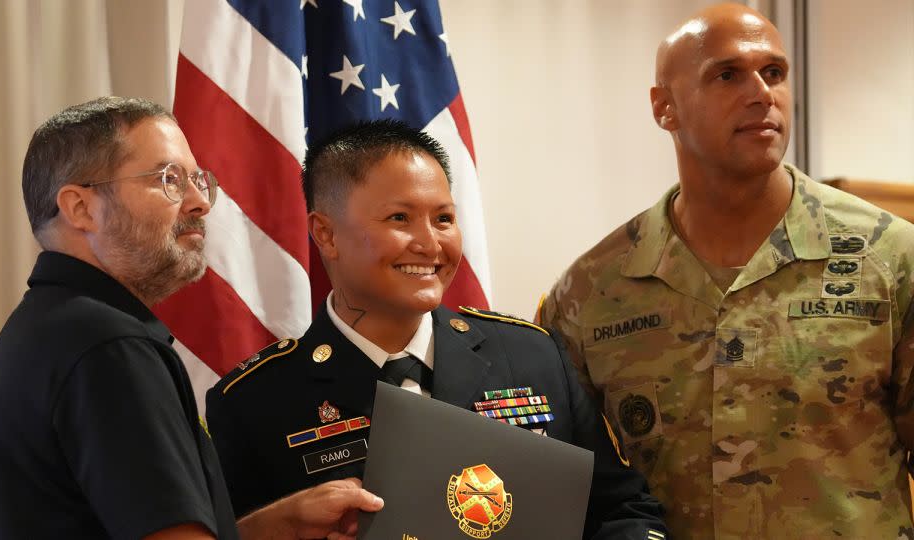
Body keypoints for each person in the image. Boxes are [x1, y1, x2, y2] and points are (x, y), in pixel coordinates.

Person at [538, 3, 914, 539]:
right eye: (727, 74)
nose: (762, 92)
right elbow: (566, 491)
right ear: (664, 107)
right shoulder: (591, 292)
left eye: (775, 72)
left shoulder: (890, 259)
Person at [205, 119, 668, 540]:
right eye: (399, 218)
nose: (430, 244)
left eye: (444, 218)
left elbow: (623, 508)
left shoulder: (531, 354)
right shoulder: (253, 401)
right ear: (326, 234)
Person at [0, 96, 382, 540]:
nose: (200, 202)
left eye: (198, 180)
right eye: (169, 179)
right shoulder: (108, 346)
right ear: (81, 208)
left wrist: (280, 526)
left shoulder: (43, 331)